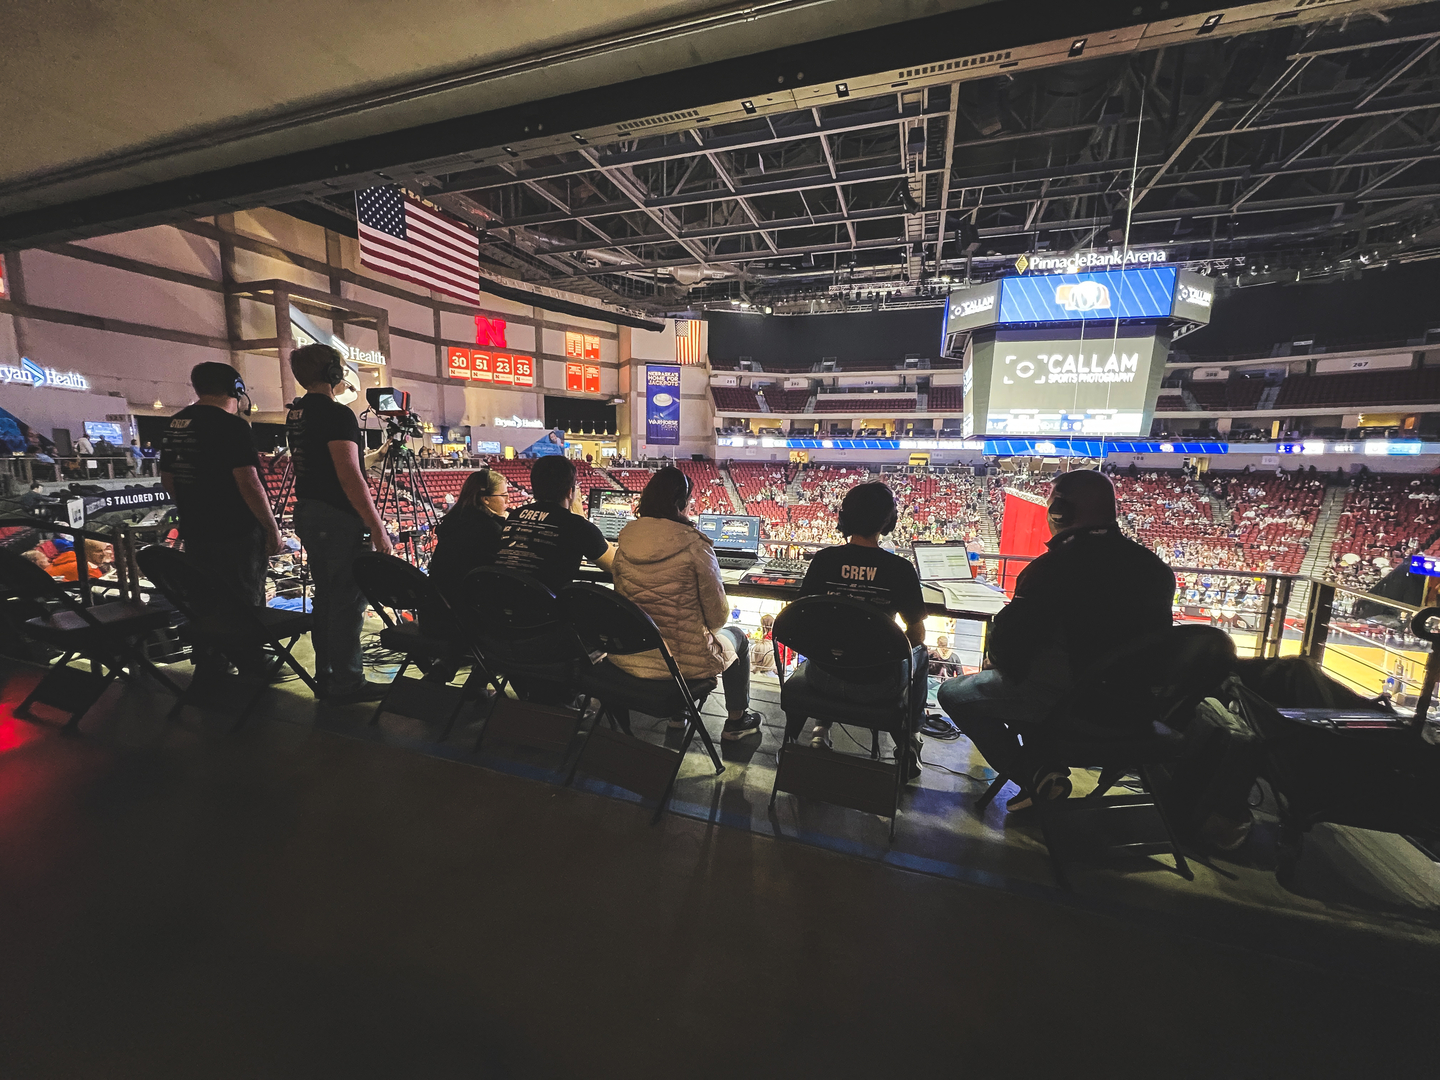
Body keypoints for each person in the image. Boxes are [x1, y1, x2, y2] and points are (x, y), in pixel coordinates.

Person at [936, 470, 1176, 811]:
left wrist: (997, 660)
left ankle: (1037, 777)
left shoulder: (1051, 568)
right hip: (1135, 713)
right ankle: (1045, 768)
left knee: (954, 692)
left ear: (1059, 512)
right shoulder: (1155, 569)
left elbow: (1008, 647)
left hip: (1070, 708)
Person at [607, 466, 762, 741]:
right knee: (737, 635)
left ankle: (680, 716)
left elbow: (624, 601)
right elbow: (717, 618)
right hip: (681, 666)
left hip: (629, 658)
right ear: (682, 503)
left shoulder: (624, 541)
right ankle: (736, 722)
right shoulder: (696, 546)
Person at [159, 362, 284, 681]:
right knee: (243, 600)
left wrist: (194, 507)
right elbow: (249, 482)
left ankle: (210, 662)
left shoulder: (176, 424)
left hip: (197, 530)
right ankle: (251, 663)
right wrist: (271, 528)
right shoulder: (233, 426)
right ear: (237, 389)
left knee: (204, 597)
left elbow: (168, 479)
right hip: (236, 531)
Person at [794, 481, 927, 775]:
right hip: (878, 686)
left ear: (845, 518)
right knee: (923, 653)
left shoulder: (823, 560)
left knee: (835, 646)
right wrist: (883, 650)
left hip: (822, 677)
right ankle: (910, 738)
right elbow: (916, 636)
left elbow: (803, 618)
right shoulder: (900, 569)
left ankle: (820, 727)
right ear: (889, 521)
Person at [286, 343, 393, 704]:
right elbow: (348, 475)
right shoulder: (337, 414)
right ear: (333, 373)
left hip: (311, 512)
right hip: (336, 518)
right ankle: (348, 683)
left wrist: (376, 455)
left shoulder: (297, 413)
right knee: (347, 604)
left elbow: (328, 459)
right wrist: (377, 526)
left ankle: (327, 676)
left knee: (327, 601)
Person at [493, 455, 613, 594]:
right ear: (570, 492)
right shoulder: (576, 526)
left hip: (503, 602)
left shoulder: (515, 515)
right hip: (547, 610)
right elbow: (614, 564)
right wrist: (580, 518)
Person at [427, 469, 508, 599]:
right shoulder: (489, 528)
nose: (507, 500)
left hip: (439, 602)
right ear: (485, 499)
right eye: (503, 495)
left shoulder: (454, 519)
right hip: (466, 606)